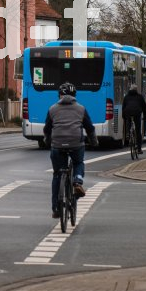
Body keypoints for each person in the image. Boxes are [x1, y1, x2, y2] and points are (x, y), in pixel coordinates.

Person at [43, 82, 98, 219]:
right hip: (75, 144)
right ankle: (78, 181)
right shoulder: (81, 109)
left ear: (59, 95)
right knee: (78, 162)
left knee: (57, 174)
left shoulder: (52, 109)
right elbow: (90, 128)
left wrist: (47, 140)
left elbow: (47, 129)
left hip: (57, 144)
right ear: (74, 96)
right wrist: (94, 141)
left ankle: (56, 208)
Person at [122, 84, 146, 154]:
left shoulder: (126, 97)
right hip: (137, 113)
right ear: (136, 90)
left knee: (128, 121)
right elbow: (145, 108)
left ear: (130, 89)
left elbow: (123, 107)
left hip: (128, 112)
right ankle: (139, 149)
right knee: (138, 130)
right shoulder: (140, 97)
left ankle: (128, 133)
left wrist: (124, 117)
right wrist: (145, 117)